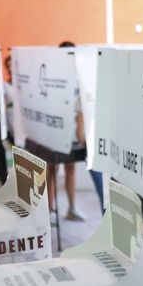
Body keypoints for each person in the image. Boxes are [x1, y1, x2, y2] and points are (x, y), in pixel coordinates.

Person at [47, 41, 85, 224]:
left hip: (71, 132)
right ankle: (49, 211)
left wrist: (80, 128)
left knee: (71, 168)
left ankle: (72, 208)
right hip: (54, 130)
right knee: (52, 169)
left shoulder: (78, 77)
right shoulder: (52, 76)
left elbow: (80, 105)